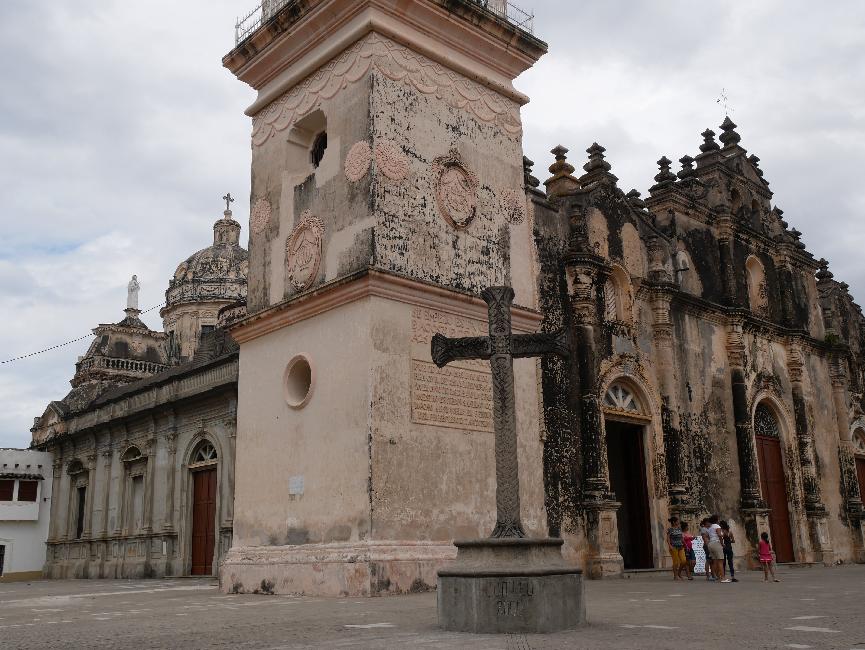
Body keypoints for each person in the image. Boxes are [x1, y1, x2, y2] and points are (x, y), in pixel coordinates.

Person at [706, 514, 726, 583]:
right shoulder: (717, 526)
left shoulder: (710, 527)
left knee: (715, 562)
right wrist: (722, 543)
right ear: (717, 520)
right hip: (716, 543)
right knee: (720, 561)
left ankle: (716, 576)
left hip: (710, 544)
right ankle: (722, 577)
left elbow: (708, 536)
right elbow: (719, 535)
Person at [666, 516, 686, 581]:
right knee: (676, 562)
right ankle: (675, 575)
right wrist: (670, 545)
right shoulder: (670, 529)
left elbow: (681, 537)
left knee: (683, 561)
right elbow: (668, 538)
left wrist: (684, 544)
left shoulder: (679, 529)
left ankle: (679, 573)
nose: (678, 522)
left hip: (680, 546)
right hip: (674, 546)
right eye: (677, 521)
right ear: (674, 522)